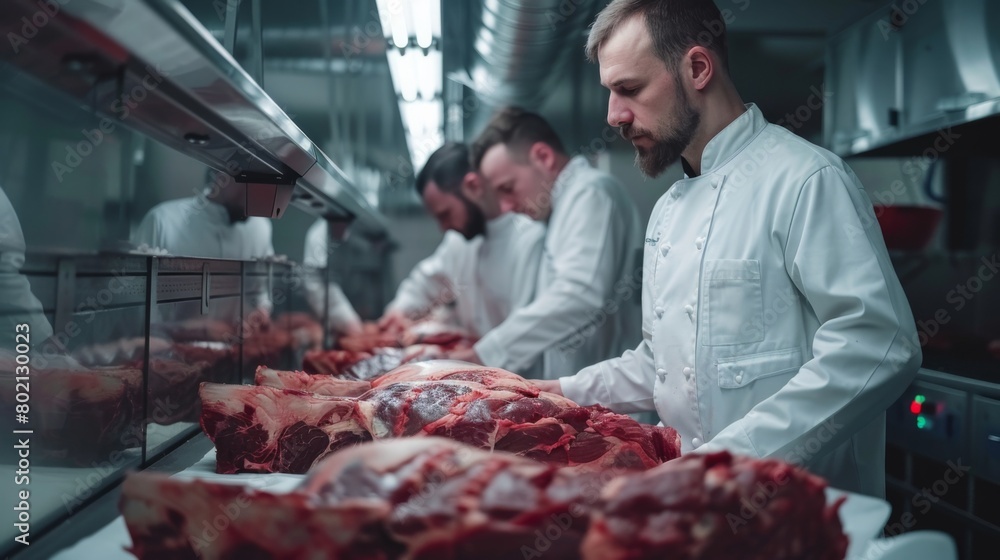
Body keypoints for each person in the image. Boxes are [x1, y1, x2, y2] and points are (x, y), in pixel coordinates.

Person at [535, 0, 920, 497]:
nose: (614, 115)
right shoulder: (668, 210)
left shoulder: (805, 179)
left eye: (629, 89)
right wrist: (562, 394)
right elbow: (663, 363)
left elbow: (878, 344)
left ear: (698, 68)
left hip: (797, 514)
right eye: (610, 92)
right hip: (697, 511)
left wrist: (723, 463)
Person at [450, 108, 644, 380]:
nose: (506, 206)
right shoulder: (559, 208)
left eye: (508, 188)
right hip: (581, 392)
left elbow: (579, 294)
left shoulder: (590, 193)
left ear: (543, 157)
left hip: (609, 397)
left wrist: (488, 353)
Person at [380, 143, 546, 353]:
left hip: (518, 375)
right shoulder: (458, 241)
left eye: (445, 214)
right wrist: (399, 310)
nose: (443, 227)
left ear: (473, 187)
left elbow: (529, 331)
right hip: (473, 372)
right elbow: (427, 281)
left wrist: (478, 358)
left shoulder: (527, 238)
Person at [302, 219, 366, 337]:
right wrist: (348, 320)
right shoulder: (318, 238)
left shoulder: (346, 235)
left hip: (341, 309)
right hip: (321, 313)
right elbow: (317, 288)